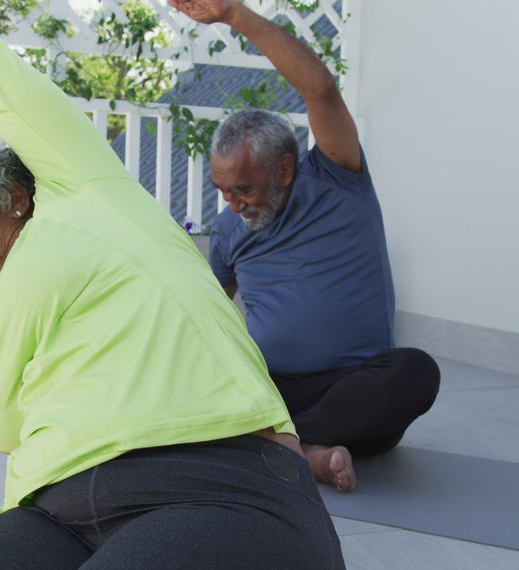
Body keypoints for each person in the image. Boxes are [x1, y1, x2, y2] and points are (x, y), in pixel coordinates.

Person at [0, 24, 344, 569]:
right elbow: (9, 518)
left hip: (216, 482)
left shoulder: (85, 195)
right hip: (55, 516)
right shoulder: (43, 353)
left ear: (14, 198)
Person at [170, 0, 441, 492]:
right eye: (223, 190)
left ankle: (280, 445)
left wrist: (232, 13)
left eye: (244, 190)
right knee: (191, 385)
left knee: (416, 371)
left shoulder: (338, 177)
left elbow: (320, 88)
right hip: (275, 392)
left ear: (286, 170)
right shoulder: (230, 230)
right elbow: (209, 316)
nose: (232, 205)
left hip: (357, 392)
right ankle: (303, 450)